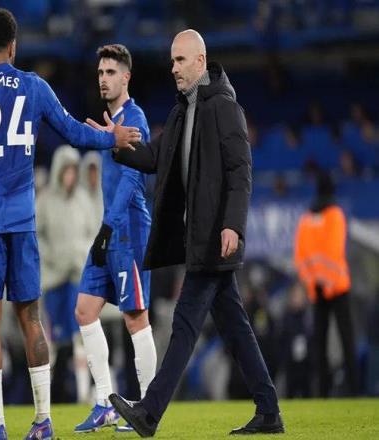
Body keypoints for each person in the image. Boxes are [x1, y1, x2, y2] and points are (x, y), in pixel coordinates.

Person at [0, 8, 140, 440]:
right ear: (14, 46)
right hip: (23, 221)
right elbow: (74, 132)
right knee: (32, 319)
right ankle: (43, 421)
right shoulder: (33, 86)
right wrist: (112, 137)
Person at [90, 30, 283, 436]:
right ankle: (269, 412)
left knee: (184, 326)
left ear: (200, 61)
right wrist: (116, 143)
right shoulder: (182, 112)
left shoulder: (225, 107)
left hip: (214, 238)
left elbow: (240, 171)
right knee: (235, 328)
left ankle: (149, 412)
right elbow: (154, 157)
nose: (173, 68)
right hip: (198, 237)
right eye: (172, 61)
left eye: (180, 60)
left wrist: (233, 224)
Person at [74, 44, 157, 434]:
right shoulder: (113, 124)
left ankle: (148, 408)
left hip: (129, 229)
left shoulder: (134, 119)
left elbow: (133, 178)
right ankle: (106, 403)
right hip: (109, 229)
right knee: (84, 311)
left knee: (135, 317)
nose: (103, 79)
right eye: (100, 72)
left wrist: (107, 227)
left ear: (126, 77)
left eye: (110, 72)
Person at [35, 145, 93, 403]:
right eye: (66, 170)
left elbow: (92, 233)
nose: (70, 175)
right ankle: (49, 394)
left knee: (81, 337)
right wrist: (52, 256)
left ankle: (82, 393)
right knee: (54, 339)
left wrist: (81, 254)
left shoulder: (83, 200)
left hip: (76, 278)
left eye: (73, 170)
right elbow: (37, 235)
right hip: (54, 280)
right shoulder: (45, 200)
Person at [294, 172, 358, 397]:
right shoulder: (335, 215)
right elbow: (335, 250)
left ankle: (322, 392)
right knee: (347, 339)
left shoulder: (306, 219)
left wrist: (314, 284)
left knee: (319, 343)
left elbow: (300, 257)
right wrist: (328, 283)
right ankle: (354, 389)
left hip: (317, 291)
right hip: (338, 288)